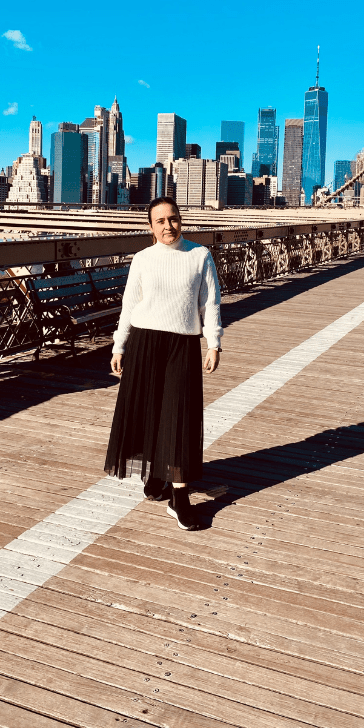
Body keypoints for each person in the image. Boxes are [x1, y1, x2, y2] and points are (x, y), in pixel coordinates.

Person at [104, 196, 222, 531]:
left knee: (179, 415)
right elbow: (129, 305)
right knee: (150, 412)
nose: (168, 226)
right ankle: (158, 474)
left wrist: (214, 343)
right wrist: (119, 345)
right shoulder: (142, 259)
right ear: (150, 227)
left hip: (182, 344)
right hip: (144, 342)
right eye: (160, 221)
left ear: (180, 220)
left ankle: (179, 498)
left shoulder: (200, 255)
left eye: (173, 219)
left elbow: (210, 302)